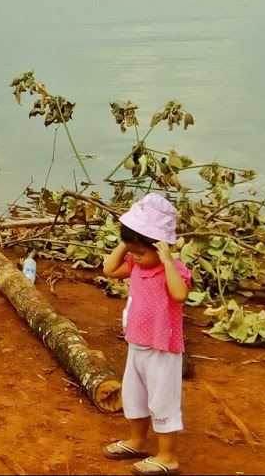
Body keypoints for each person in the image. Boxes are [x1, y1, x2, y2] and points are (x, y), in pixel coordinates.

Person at [101, 193, 191, 476]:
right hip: (137, 344)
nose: (135, 257)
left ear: (161, 247)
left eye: (141, 252)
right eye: (133, 252)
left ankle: (167, 456)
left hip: (162, 348)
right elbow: (109, 269)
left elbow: (180, 295)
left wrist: (166, 261)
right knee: (134, 394)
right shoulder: (136, 264)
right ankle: (137, 441)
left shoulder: (172, 270)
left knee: (162, 399)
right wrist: (128, 242)